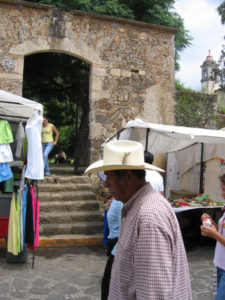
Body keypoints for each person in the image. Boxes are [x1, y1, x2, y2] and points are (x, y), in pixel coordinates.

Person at [85, 140, 192, 300]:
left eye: (109, 176)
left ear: (128, 176)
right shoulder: (139, 207)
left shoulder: (148, 217)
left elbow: (154, 295)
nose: (106, 184)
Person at [200, 174, 225, 300]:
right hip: (221, 264)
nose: (222, 193)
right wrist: (212, 224)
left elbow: (219, 236)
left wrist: (214, 234)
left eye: (224, 189)